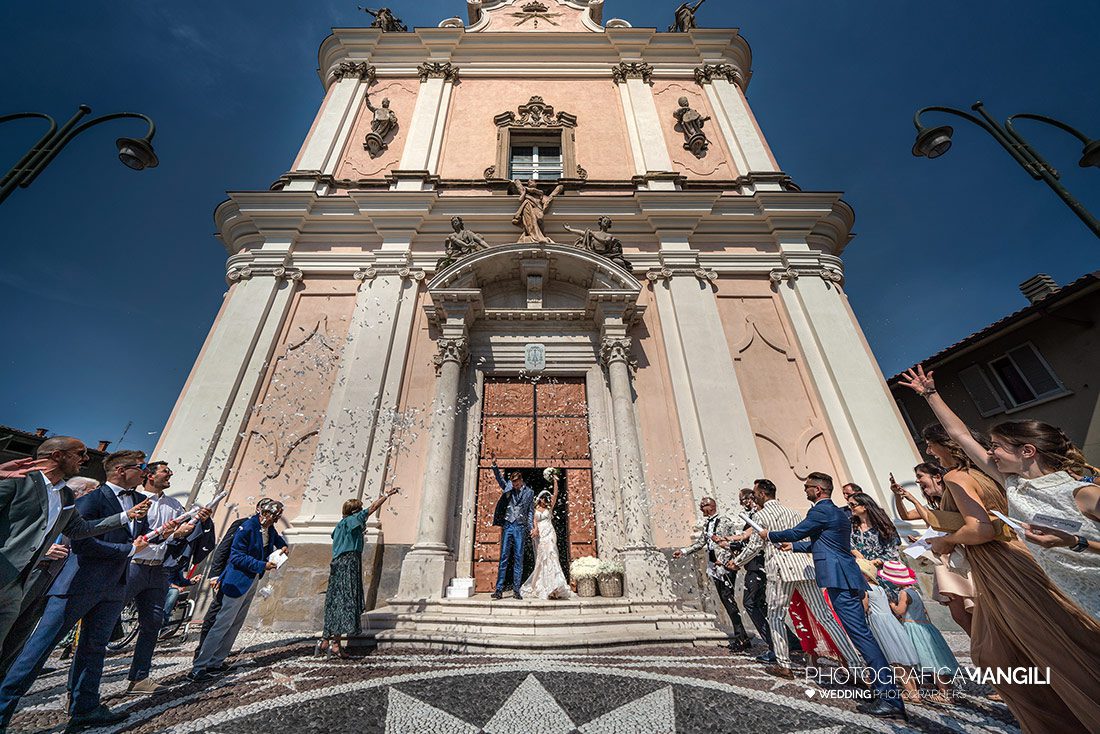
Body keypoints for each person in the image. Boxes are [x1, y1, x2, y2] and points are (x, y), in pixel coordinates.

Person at [911, 419, 1100, 731]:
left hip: (1001, 567)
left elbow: (981, 528)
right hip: (1014, 559)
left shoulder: (958, 476)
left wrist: (946, 540)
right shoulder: (990, 475)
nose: (928, 451)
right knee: (1037, 644)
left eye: (929, 444)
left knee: (1025, 650)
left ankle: (1063, 718)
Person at [901, 365, 1099, 618]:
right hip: (1070, 590)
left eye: (997, 447)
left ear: (1027, 451)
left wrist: (1075, 542)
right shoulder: (1012, 483)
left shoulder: (1082, 492)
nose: (991, 452)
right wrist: (930, 395)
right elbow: (961, 435)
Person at [0, 450, 153, 731]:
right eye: (140, 467)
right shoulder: (91, 498)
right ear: (120, 470)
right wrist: (128, 549)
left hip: (113, 585)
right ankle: (3, 711)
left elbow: (133, 536)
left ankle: (85, 707)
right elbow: (81, 541)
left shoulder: (141, 501)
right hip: (78, 584)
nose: (144, 472)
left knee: (95, 648)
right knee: (38, 650)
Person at [763, 472, 906, 721]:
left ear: (818, 490)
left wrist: (771, 536)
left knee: (862, 638)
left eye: (807, 487)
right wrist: (793, 547)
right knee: (862, 636)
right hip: (846, 576)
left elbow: (798, 532)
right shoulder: (837, 513)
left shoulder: (820, 511)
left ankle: (890, 697)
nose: (805, 490)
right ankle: (885, 691)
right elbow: (825, 542)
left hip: (840, 580)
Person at [0, 438, 142, 661]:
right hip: (5, 572)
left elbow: (79, 529)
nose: (85, 459)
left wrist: (125, 516)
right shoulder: (18, 481)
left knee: (9, 648)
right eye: (80, 453)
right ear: (58, 456)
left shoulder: (65, 495)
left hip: (21, 584)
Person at [732, 479, 861, 679]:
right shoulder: (793, 513)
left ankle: (784, 664)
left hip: (780, 570)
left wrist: (737, 562)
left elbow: (755, 545)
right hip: (803, 568)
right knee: (824, 616)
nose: (754, 496)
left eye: (756, 493)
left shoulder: (761, 515)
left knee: (775, 617)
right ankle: (856, 666)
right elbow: (803, 536)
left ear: (763, 494)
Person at [120, 462, 212, 694]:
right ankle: (83, 685)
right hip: (132, 566)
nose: (170, 474)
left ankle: (140, 677)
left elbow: (180, 534)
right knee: (105, 622)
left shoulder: (174, 504)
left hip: (159, 570)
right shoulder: (133, 499)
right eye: (164, 471)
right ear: (149, 476)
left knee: (152, 624)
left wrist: (195, 523)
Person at [0, 476, 100, 678]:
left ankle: (8, 669)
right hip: (29, 572)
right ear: (78, 492)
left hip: (52, 576)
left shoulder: (72, 512)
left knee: (25, 627)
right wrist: (43, 550)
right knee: (10, 624)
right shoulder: (45, 502)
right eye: (92, 490)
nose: (95, 495)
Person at [189, 499, 288, 683]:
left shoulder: (268, 528)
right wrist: (262, 564)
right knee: (222, 623)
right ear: (264, 513)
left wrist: (283, 546)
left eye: (277, 517)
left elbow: (275, 538)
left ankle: (217, 661)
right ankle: (200, 665)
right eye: (273, 516)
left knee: (236, 623)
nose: (275, 520)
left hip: (252, 579)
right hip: (236, 580)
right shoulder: (247, 527)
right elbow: (235, 556)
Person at [891, 463, 977, 635]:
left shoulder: (953, 498)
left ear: (937, 477)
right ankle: (979, 649)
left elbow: (932, 521)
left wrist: (913, 499)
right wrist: (898, 497)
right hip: (942, 560)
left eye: (920, 476)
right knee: (958, 614)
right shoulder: (935, 507)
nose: (917, 480)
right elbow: (906, 516)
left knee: (971, 609)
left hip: (960, 558)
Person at [319, 488, 399, 658]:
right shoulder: (356, 518)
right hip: (349, 563)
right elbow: (372, 508)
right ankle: (335, 644)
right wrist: (387, 495)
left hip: (337, 564)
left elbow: (340, 538)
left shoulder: (341, 524)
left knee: (334, 600)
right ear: (356, 511)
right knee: (346, 602)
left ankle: (326, 639)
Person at [193, 498, 268, 661]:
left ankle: (217, 655)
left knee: (233, 620)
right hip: (228, 577)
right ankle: (202, 651)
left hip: (249, 578)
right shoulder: (242, 523)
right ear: (258, 509)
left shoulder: (269, 531)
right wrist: (214, 574)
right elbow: (223, 549)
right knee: (216, 614)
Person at [673, 497, 751, 650]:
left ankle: (741, 637)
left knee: (728, 599)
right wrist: (683, 552)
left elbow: (728, 544)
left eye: (704, 506)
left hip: (724, 565)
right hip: (713, 565)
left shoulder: (724, 520)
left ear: (712, 506)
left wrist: (723, 561)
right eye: (701, 506)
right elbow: (701, 543)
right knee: (725, 599)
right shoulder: (707, 524)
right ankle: (741, 635)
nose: (701, 508)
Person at [883, 561, 959, 705]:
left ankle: (943, 694)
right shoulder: (915, 591)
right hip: (925, 626)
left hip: (913, 628)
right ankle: (947, 690)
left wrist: (892, 604)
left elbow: (900, 611)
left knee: (927, 661)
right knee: (935, 659)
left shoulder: (903, 593)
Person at [858, 560, 920, 703]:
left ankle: (912, 694)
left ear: (866, 576)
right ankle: (913, 691)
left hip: (879, 623)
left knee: (894, 659)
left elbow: (865, 608)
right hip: (890, 622)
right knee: (902, 659)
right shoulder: (880, 589)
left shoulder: (866, 590)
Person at [521, 473, 577, 600]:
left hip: (550, 533)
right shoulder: (535, 511)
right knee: (542, 559)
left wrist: (555, 481)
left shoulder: (549, 509)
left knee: (552, 554)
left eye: (547, 497)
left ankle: (556, 585)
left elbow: (555, 495)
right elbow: (534, 523)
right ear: (539, 499)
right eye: (544, 497)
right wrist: (534, 530)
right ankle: (545, 585)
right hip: (541, 535)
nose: (546, 499)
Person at [490, 459, 534, 600]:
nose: (514, 485)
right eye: (513, 483)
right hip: (508, 525)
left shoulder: (529, 492)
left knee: (518, 558)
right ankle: (498, 590)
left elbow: (530, 511)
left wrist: (531, 528)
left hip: (520, 527)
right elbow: (500, 479)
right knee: (504, 557)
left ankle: (516, 590)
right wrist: (495, 466)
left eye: (516, 483)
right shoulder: (508, 486)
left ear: (521, 481)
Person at [847, 492, 901, 566]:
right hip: (861, 570)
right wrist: (855, 552)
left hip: (883, 570)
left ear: (865, 506)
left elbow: (893, 550)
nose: (850, 507)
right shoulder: (851, 523)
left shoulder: (882, 524)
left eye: (853, 505)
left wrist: (874, 562)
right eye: (849, 505)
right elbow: (847, 542)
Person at [509, 179, 564, 245]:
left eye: (532, 181)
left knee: (539, 221)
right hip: (528, 209)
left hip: (537, 209)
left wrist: (529, 190)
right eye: (529, 182)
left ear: (536, 184)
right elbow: (520, 199)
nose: (530, 182)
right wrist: (524, 191)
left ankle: (538, 236)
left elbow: (542, 194)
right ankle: (535, 237)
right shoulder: (527, 195)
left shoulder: (540, 195)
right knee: (530, 224)